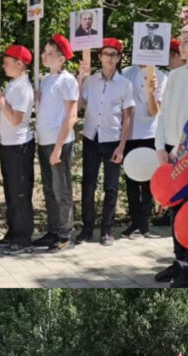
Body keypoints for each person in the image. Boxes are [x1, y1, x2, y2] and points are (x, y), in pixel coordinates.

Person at [154, 22, 188, 287]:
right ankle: (179, 262)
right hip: (171, 153)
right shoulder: (175, 76)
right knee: (175, 212)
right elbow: (164, 113)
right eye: (181, 40)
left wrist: (185, 151)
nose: (181, 45)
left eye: (187, 41)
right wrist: (160, 147)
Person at [78, 38, 134, 246]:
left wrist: (122, 146)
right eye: (105, 54)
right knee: (88, 185)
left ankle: (107, 230)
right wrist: (80, 79)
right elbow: (79, 104)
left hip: (112, 140)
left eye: (113, 54)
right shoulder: (91, 81)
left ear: (118, 58)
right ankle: (87, 228)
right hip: (92, 137)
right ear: (100, 57)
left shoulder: (125, 85)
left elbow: (127, 117)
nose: (109, 58)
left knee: (111, 187)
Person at [33, 35, 79, 252]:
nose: (45, 56)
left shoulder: (67, 80)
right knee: (49, 189)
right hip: (44, 140)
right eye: (45, 52)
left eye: (51, 53)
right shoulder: (45, 80)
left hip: (58, 141)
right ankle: (53, 230)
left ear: (62, 58)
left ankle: (65, 233)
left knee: (62, 189)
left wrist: (59, 147)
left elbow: (71, 115)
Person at [0, 44, 36, 255]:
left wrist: (1, 100)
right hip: (9, 145)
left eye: (7, 62)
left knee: (20, 193)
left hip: (19, 146)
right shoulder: (13, 84)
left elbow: (16, 119)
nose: (4, 66)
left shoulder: (23, 88)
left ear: (20, 64)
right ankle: (13, 232)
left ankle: (23, 238)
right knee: (11, 192)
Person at [121, 62, 165, 238]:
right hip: (130, 134)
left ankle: (145, 223)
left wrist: (150, 91)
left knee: (148, 181)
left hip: (150, 134)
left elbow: (155, 112)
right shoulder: (126, 72)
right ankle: (134, 222)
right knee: (131, 180)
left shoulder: (160, 76)